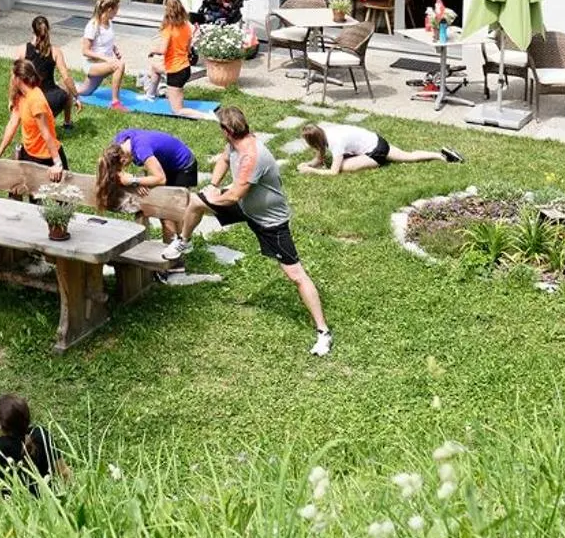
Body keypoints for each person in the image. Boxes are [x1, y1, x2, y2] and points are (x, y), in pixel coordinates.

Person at [165, 106, 332, 357]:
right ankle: (184, 241)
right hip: (245, 207)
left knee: (295, 274)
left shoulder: (253, 156)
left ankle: (323, 332)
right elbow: (223, 160)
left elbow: (232, 196)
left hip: (269, 221)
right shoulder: (234, 143)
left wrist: (215, 195)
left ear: (227, 130)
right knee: (196, 202)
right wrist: (212, 185)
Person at [93, 128, 200, 212]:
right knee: (163, 215)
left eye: (121, 167)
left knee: (172, 210)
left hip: (183, 166)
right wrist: (138, 181)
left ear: (123, 159)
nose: (123, 170)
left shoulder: (142, 150)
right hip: (163, 164)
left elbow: (161, 179)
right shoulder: (119, 142)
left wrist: (133, 180)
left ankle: (181, 238)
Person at [297, 122, 461, 175]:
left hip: (375, 152)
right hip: (377, 140)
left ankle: (377, 161)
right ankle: (441, 155)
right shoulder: (328, 131)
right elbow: (320, 157)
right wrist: (309, 164)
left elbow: (333, 173)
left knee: (343, 167)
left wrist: (312, 171)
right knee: (408, 156)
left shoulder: (335, 142)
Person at [0, 58, 66, 172]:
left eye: (12, 76)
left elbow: (46, 133)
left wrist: (57, 163)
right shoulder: (20, 96)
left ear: (18, 78)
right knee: (15, 188)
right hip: (29, 153)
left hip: (46, 157)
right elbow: (12, 124)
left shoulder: (36, 100)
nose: (10, 80)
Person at [23, 16, 79, 132]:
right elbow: (66, 77)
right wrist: (77, 97)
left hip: (29, 102)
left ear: (32, 31)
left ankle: (38, 123)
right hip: (50, 100)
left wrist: (12, 101)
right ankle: (67, 123)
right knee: (66, 83)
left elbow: (15, 78)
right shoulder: (55, 51)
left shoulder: (22, 50)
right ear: (48, 30)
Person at [144, 0, 196, 115]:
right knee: (155, 67)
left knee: (177, 110)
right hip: (185, 69)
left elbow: (162, 50)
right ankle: (150, 95)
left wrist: (152, 50)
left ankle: (207, 116)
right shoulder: (187, 26)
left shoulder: (169, 29)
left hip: (176, 72)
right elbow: (188, 50)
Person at [76, 0, 127, 111]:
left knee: (85, 91)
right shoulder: (93, 26)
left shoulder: (109, 23)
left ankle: (64, 87)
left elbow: (105, 42)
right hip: (92, 65)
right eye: (116, 10)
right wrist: (107, 59)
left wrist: (115, 49)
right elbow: (85, 51)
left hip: (103, 64)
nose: (117, 13)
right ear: (109, 10)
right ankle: (115, 103)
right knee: (119, 65)